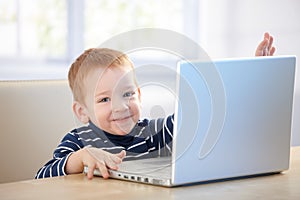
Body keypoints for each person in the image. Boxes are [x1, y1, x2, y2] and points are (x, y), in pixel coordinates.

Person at [35, 32, 275, 180]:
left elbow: (200, 117)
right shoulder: (79, 140)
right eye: (104, 99)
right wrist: (79, 158)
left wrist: (252, 75)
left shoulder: (149, 133)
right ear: (82, 111)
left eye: (127, 94)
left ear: (139, 95)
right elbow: (42, 175)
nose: (120, 107)